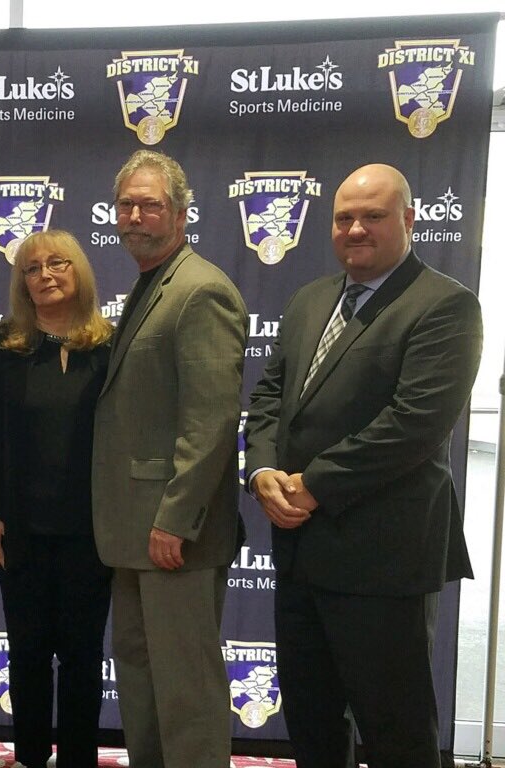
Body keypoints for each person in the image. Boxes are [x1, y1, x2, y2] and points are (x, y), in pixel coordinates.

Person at [243, 163, 481, 768]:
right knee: (312, 723)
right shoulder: (309, 300)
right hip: (302, 550)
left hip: (384, 558)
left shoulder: (445, 306)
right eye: (344, 217)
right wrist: (263, 470)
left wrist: (313, 484)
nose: (355, 229)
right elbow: (271, 396)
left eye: (372, 216)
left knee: (395, 730)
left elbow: (414, 424)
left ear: (407, 219)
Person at [91, 149, 247, 768]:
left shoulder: (201, 289)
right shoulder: (152, 282)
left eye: (149, 204)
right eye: (126, 204)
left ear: (180, 214)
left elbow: (210, 424)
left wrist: (174, 520)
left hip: (171, 535)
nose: (135, 215)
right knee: (141, 680)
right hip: (135, 533)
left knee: (186, 694)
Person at [0, 230, 114, 768]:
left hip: (90, 532)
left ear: (79, 273)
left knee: (81, 656)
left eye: (58, 264)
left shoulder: (108, 348)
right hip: (19, 530)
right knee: (27, 655)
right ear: (21, 282)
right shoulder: (5, 348)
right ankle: (29, 757)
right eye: (32, 268)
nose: (46, 275)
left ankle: (78, 759)